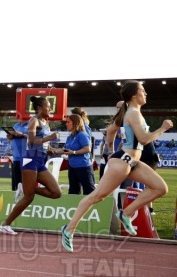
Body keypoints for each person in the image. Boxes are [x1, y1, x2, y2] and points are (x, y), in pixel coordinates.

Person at [61, 80, 172, 253]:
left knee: (160, 188)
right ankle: (69, 229)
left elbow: (111, 131)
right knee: (96, 196)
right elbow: (143, 139)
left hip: (131, 161)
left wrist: (110, 150)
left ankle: (126, 213)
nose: (146, 93)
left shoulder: (131, 112)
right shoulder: (133, 113)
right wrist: (163, 128)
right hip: (123, 161)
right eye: (143, 90)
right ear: (134, 95)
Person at [0, 96, 61, 235]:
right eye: (47, 106)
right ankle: (5, 224)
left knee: (56, 193)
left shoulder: (46, 123)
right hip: (30, 160)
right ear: (39, 108)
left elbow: (43, 142)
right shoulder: (34, 120)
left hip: (40, 161)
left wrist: (51, 148)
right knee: (29, 198)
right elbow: (32, 141)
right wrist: (50, 137)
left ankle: (27, 188)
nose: (50, 108)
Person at [54, 114, 95, 195]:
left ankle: (96, 207)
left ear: (75, 123)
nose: (66, 124)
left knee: (89, 191)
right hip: (72, 167)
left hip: (84, 167)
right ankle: (75, 207)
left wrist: (74, 152)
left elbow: (87, 149)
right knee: (73, 191)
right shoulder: (70, 137)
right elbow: (64, 150)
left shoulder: (82, 135)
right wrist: (52, 150)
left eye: (68, 122)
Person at [6, 119, 28, 201]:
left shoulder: (31, 124)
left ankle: (26, 199)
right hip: (16, 157)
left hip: (27, 157)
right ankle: (17, 199)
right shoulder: (16, 125)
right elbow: (9, 140)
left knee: (25, 181)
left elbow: (33, 138)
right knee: (17, 182)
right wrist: (10, 137)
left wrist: (21, 134)